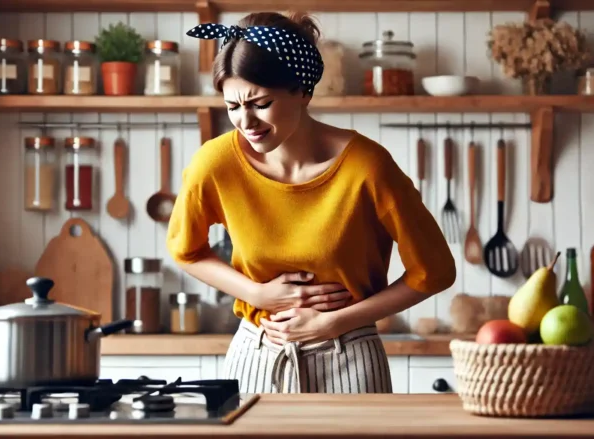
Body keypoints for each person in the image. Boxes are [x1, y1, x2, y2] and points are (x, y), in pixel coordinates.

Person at [167, 11, 456, 394]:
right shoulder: (215, 162)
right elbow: (187, 251)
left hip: (349, 357)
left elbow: (434, 271)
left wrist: (338, 322)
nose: (245, 121)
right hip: (255, 355)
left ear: (303, 91)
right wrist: (257, 294)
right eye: (233, 106)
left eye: (260, 102)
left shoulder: (367, 167)